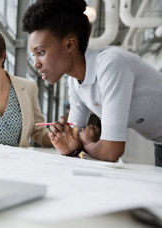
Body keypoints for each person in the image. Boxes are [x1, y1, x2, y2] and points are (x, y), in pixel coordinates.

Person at [22, 0, 162, 166]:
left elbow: (111, 151)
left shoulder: (111, 64)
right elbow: (74, 139)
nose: (36, 64)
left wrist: (87, 144)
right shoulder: (75, 84)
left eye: (41, 52)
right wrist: (69, 147)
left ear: (69, 44)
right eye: (34, 55)